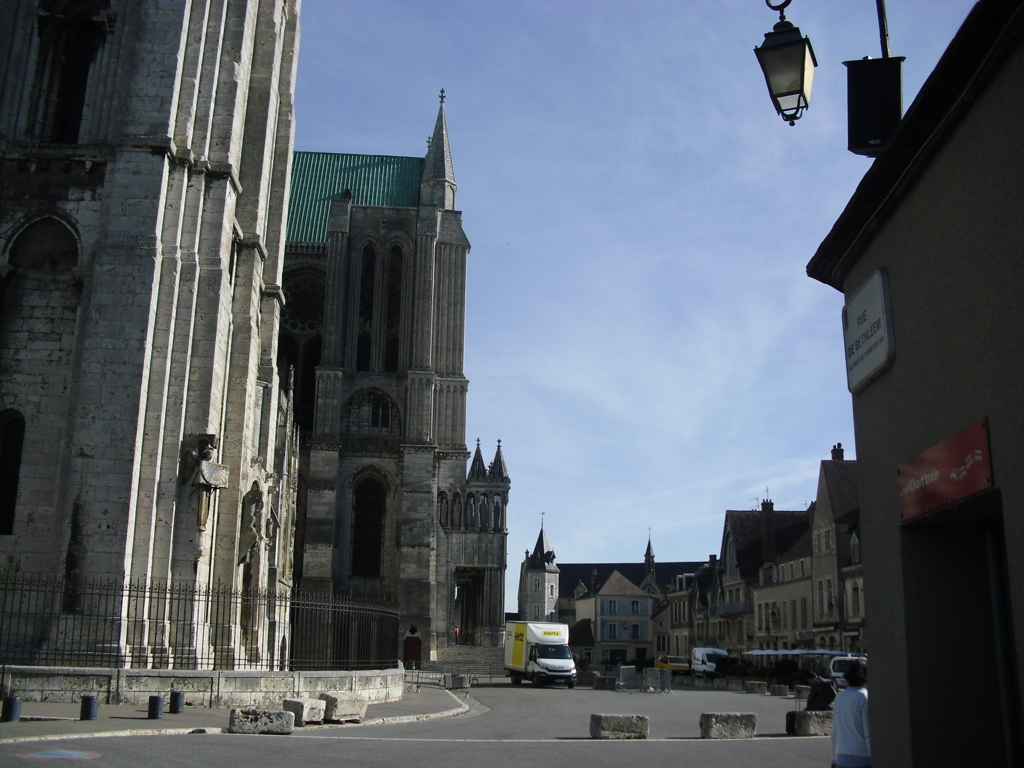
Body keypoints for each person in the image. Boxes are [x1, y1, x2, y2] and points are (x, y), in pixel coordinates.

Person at [831, 659, 870, 768]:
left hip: (842, 757)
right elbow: (868, 733)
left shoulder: (840, 696)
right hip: (863, 757)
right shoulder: (865, 697)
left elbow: (835, 732)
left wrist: (834, 759)